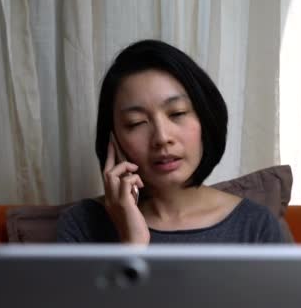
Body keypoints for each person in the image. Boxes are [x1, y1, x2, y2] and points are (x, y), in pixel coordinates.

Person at [56, 40, 283, 244]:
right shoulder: (82, 225)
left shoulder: (256, 225)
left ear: (205, 117)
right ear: (113, 140)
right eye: (136, 123)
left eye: (177, 113)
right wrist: (132, 245)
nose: (162, 138)